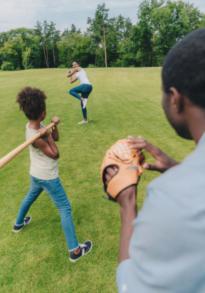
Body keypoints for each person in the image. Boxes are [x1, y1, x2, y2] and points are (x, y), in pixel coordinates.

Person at [103, 29, 205, 292]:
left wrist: (127, 205)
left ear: (175, 99)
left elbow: (131, 285)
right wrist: (178, 168)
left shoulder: (175, 198)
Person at [13, 86, 92, 262]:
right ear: (42, 112)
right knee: (65, 207)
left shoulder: (33, 124)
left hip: (36, 174)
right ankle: (76, 250)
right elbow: (55, 153)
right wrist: (47, 135)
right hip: (47, 177)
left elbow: (55, 139)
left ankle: (18, 223)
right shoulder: (36, 137)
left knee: (30, 196)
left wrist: (53, 127)